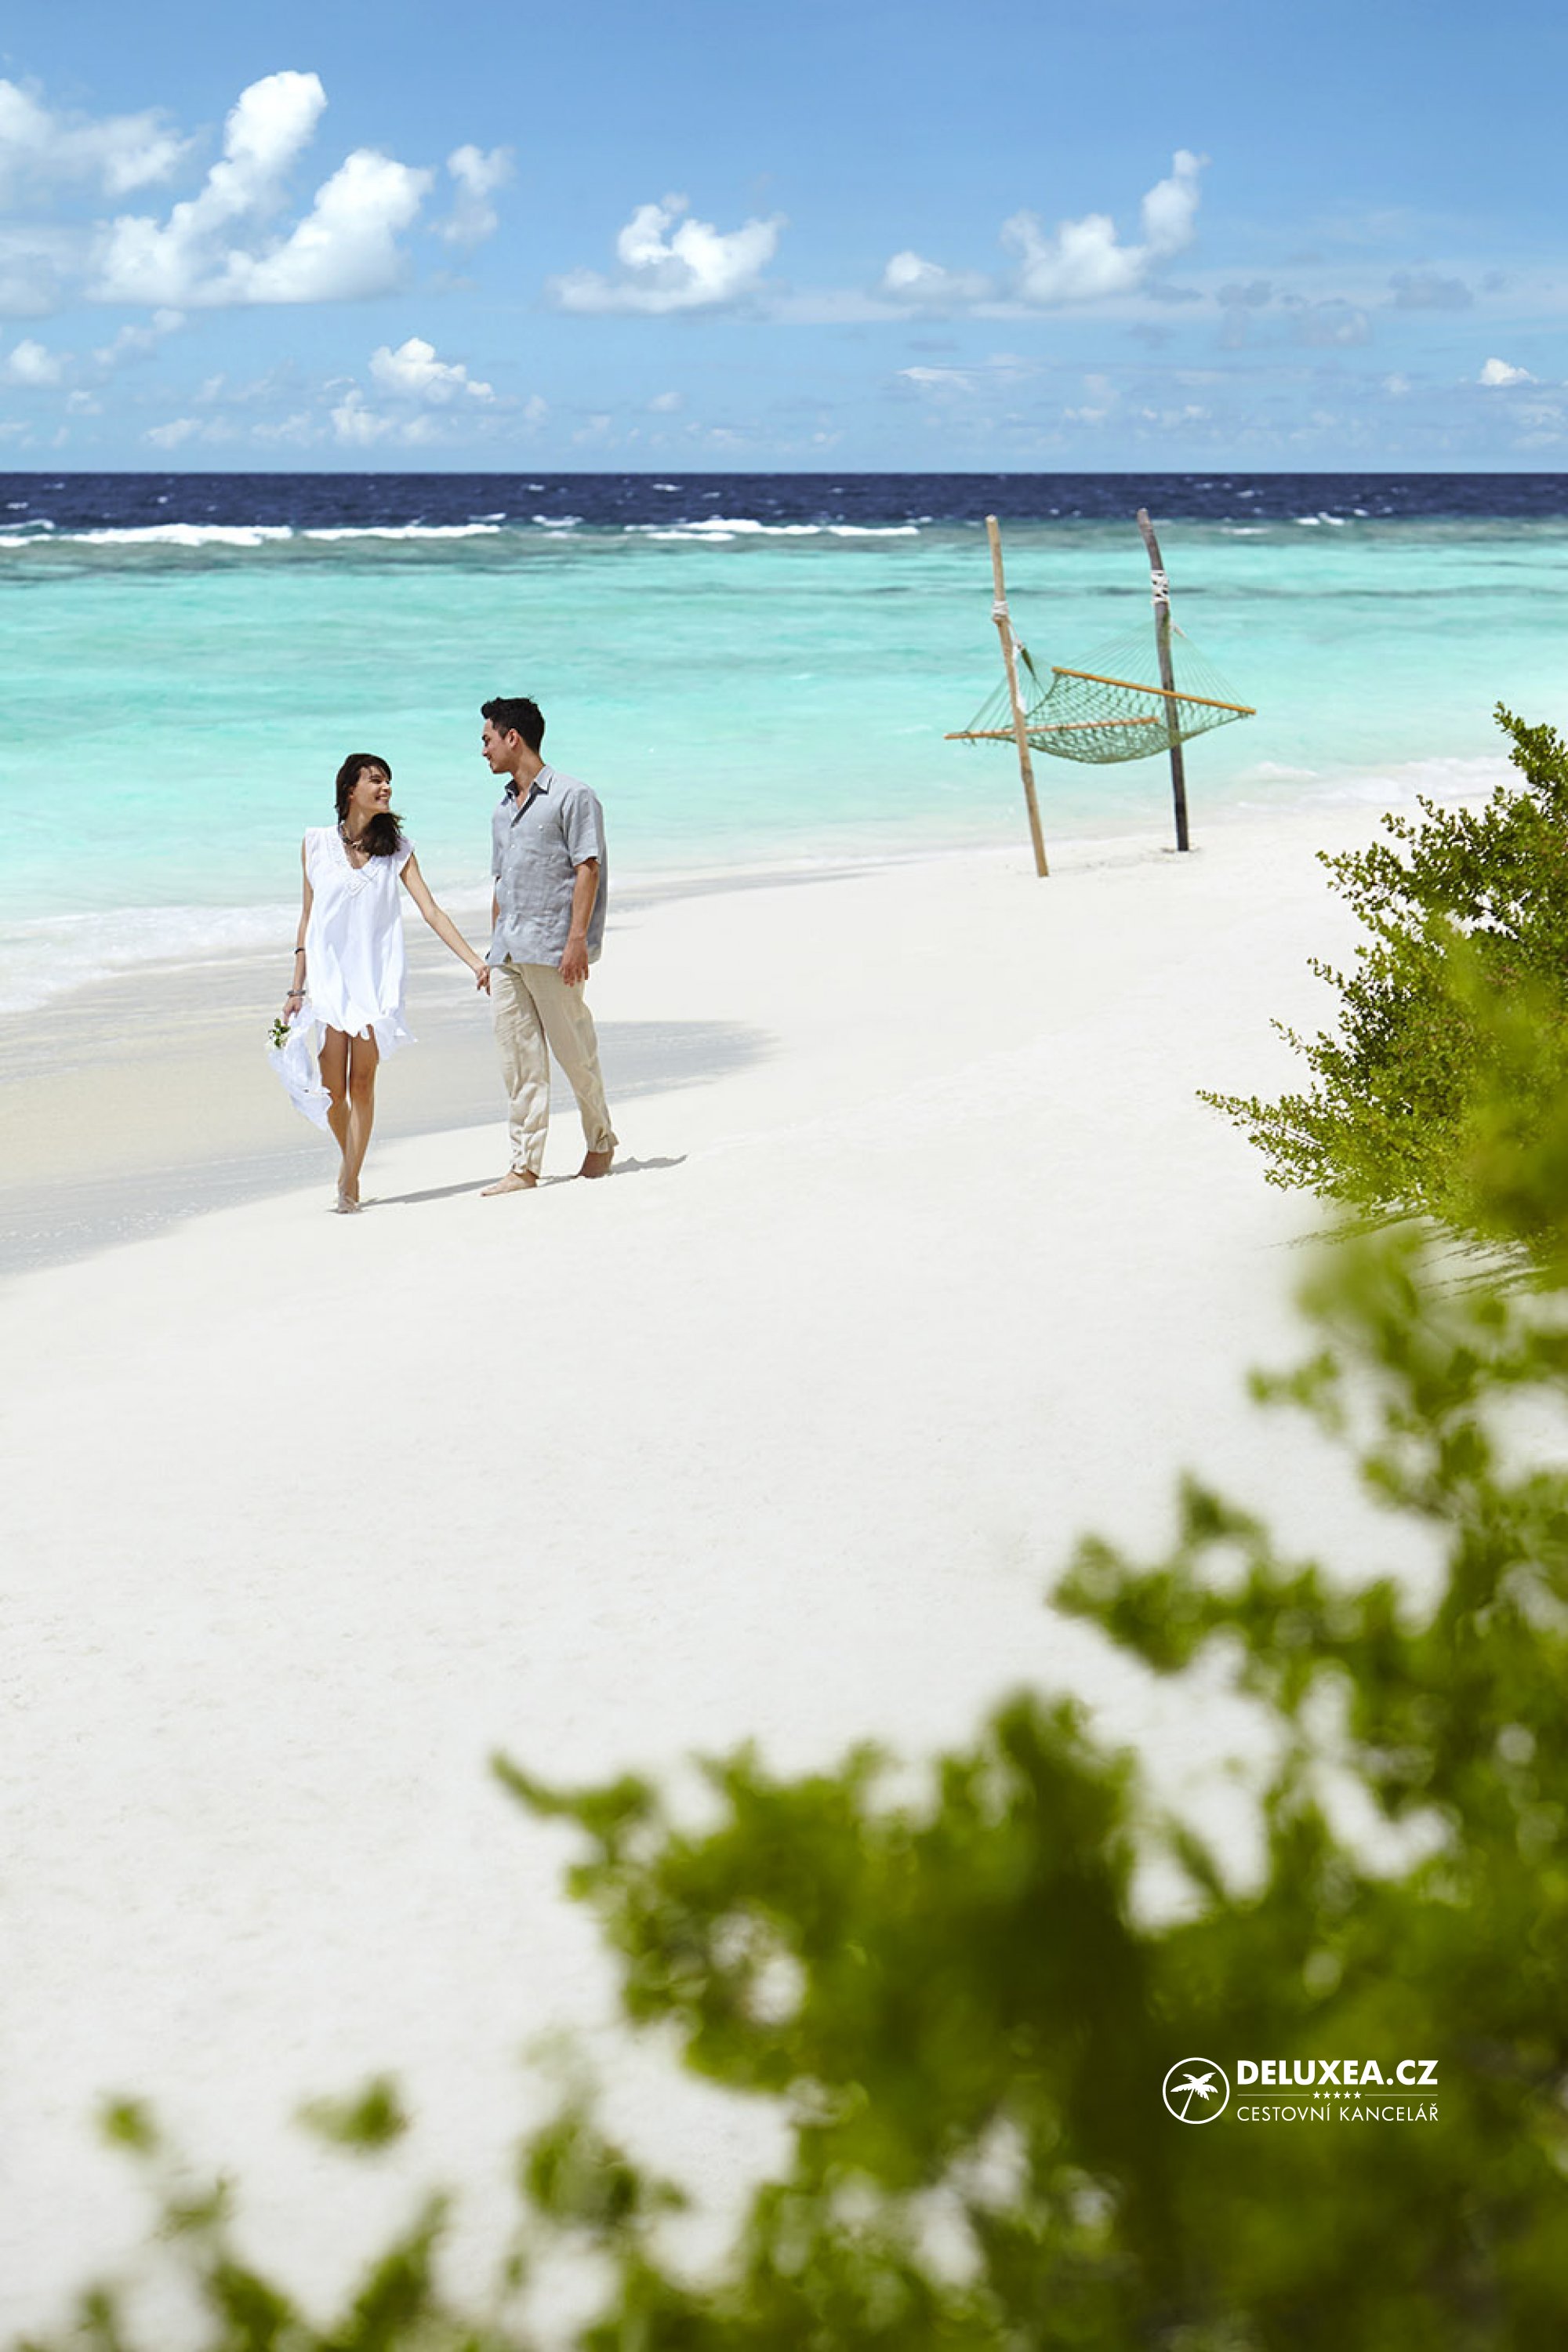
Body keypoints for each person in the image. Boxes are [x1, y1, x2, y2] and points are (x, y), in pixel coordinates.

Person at [278, 753, 490, 1213]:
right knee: (332, 1090)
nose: (385, 787)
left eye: (388, 780)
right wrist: (297, 989)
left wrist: (475, 961)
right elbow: (307, 919)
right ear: (349, 790)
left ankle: (349, 1182)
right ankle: (350, 1162)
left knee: (362, 1082)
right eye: (375, 780)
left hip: (374, 979)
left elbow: (431, 910)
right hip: (330, 980)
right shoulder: (315, 844)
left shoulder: (399, 850)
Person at [477, 695, 618, 1194]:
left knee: (575, 1053)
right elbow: (502, 883)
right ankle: (525, 1166)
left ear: (512, 737)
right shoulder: (501, 810)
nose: (484, 751)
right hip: (508, 952)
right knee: (520, 1064)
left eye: (488, 740)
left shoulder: (574, 796)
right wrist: (492, 951)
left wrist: (577, 940)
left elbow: (588, 869)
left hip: (554, 949)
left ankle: (600, 1142)